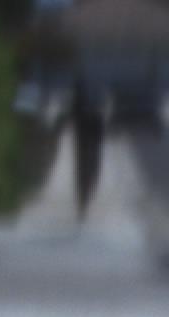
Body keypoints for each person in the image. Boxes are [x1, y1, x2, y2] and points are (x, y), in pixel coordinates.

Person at [73, 83, 105, 221]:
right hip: (88, 149)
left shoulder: (88, 115)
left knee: (86, 174)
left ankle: (83, 204)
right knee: (87, 173)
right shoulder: (92, 116)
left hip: (87, 148)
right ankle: (83, 204)